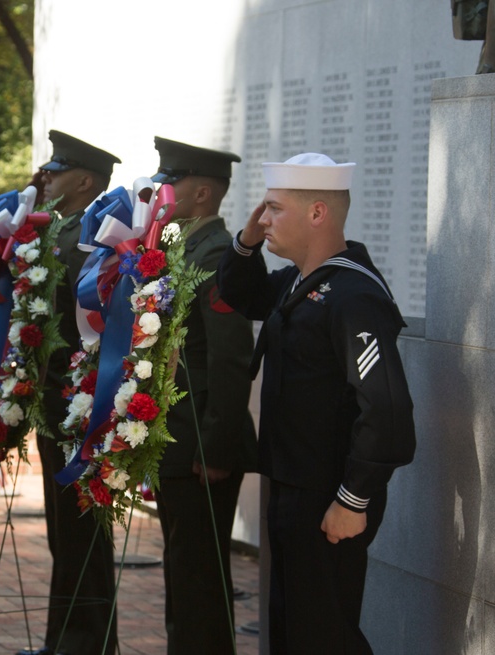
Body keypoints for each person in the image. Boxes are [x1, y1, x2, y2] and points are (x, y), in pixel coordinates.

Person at [216, 152, 416, 654]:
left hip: (328, 495)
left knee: (324, 636)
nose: (263, 220)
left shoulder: (353, 296)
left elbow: (387, 411)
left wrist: (354, 499)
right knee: (289, 631)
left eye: (274, 209)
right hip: (291, 485)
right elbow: (239, 294)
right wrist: (246, 242)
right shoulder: (299, 282)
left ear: (318, 213)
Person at [149, 137, 257, 654]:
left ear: (203, 193)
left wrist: (214, 448)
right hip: (177, 441)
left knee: (199, 583)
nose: (162, 190)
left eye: (171, 182)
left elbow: (231, 359)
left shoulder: (216, 255)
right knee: (183, 576)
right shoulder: (178, 251)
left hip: (200, 447)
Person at [25, 129, 121, 655]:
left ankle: (84, 645)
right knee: (65, 535)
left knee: (82, 537)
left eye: (56, 171)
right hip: (57, 405)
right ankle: (66, 641)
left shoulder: (90, 239)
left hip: (82, 406)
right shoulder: (56, 233)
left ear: (84, 181)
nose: (46, 178)